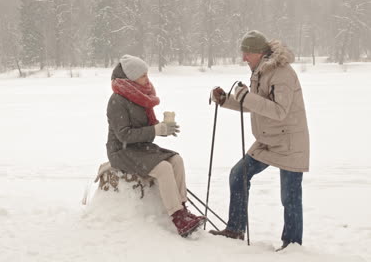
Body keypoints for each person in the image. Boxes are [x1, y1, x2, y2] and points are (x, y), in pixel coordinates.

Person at [209, 30, 310, 250]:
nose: (243, 58)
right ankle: (235, 229)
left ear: (258, 52)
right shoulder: (260, 70)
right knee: (238, 175)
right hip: (267, 140)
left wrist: (247, 97)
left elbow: (280, 111)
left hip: (289, 142)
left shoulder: (281, 73)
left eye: (246, 53)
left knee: (289, 195)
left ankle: (292, 244)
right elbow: (256, 104)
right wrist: (226, 100)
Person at [106, 54, 205, 237]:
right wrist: (155, 130)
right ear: (131, 78)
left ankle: (183, 208)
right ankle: (177, 217)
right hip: (121, 151)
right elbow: (124, 135)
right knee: (163, 168)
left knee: (176, 159)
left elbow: (146, 130)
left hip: (139, 147)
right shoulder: (117, 101)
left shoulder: (140, 96)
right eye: (142, 75)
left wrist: (163, 129)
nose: (147, 79)